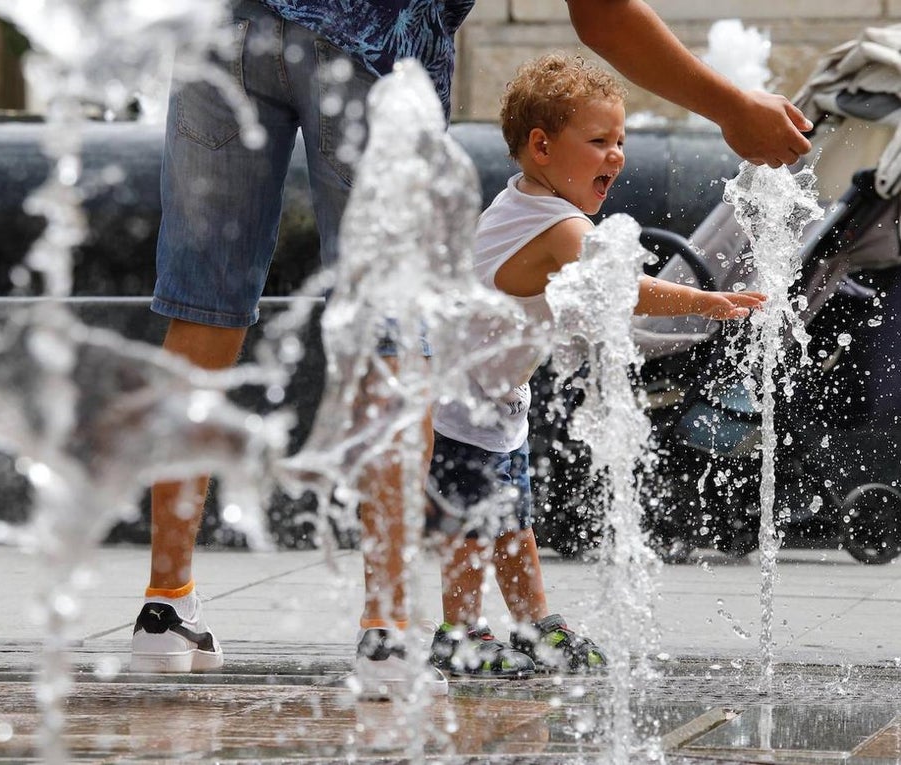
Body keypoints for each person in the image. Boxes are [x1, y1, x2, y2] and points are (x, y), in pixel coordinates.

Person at [129, 0, 810, 689]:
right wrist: (729, 107)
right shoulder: (550, 224)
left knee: (203, 312)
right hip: (370, 46)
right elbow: (602, 14)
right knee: (389, 327)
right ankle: (387, 631)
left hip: (225, 29)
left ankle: (165, 605)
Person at [426, 53, 768, 678]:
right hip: (459, 400)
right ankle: (460, 634)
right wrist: (705, 301)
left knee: (511, 522)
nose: (617, 155)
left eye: (621, 141)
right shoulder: (557, 225)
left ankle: (532, 625)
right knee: (475, 526)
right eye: (599, 141)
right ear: (542, 146)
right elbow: (625, 286)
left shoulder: (521, 203)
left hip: (488, 398)